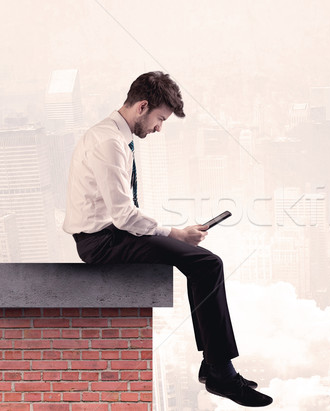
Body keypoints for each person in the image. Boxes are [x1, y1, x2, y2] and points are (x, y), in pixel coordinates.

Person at [63, 71, 273, 408]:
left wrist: (174, 236)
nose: (159, 128)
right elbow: (123, 214)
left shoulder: (112, 136)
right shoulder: (109, 143)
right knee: (207, 263)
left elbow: (122, 214)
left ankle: (215, 365)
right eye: (160, 119)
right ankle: (219, 371)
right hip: (102, 241)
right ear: (142, 106)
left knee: (201, 265)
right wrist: (176, 234)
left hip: (110, 233)